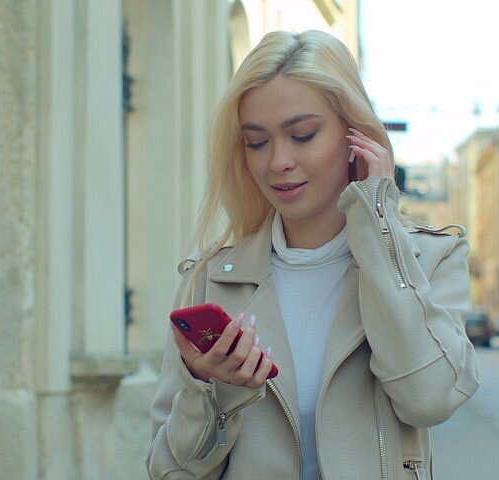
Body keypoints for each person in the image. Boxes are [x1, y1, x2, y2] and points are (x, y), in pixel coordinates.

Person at [146, 30, 479, 479]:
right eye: (256, 142)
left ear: (354, 137)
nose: (277, 161)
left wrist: (378, 229)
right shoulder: (210, 280)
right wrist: (212, 392)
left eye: (302, 135)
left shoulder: (430, 258)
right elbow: (169, 472)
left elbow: (429, 398)